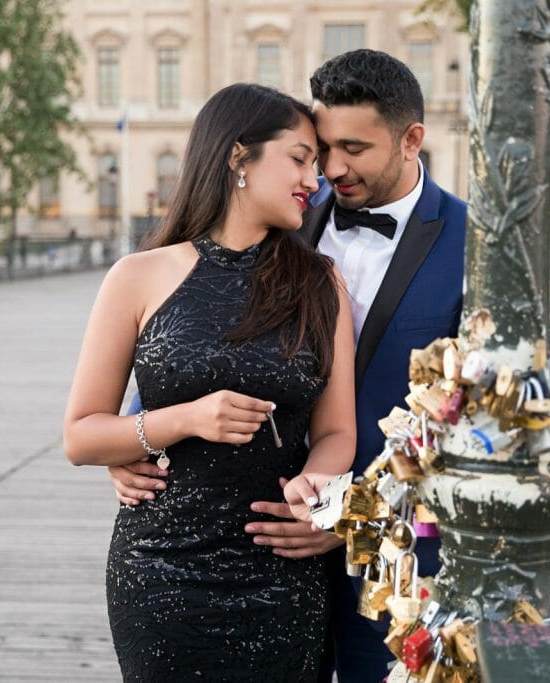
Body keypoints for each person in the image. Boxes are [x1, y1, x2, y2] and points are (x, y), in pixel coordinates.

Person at [109, 50, 467, 681]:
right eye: (319, 149)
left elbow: (499, 426)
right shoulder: (284, 216)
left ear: (413, 139)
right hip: (247, 546)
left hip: (401, 564)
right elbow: (190, 333)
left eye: (352, 148)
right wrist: (134, 444)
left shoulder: (479, 247)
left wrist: (350, 516)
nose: (330, 168)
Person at [63, 83, 356, 681]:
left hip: (281, 574)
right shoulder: (137, 277)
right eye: (300, 159)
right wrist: (184, 421)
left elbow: (337, 432)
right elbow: (80, 436)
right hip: (160, 575)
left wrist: (318, 489)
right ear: (238, 156)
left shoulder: (322, 283)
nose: (315, 179)